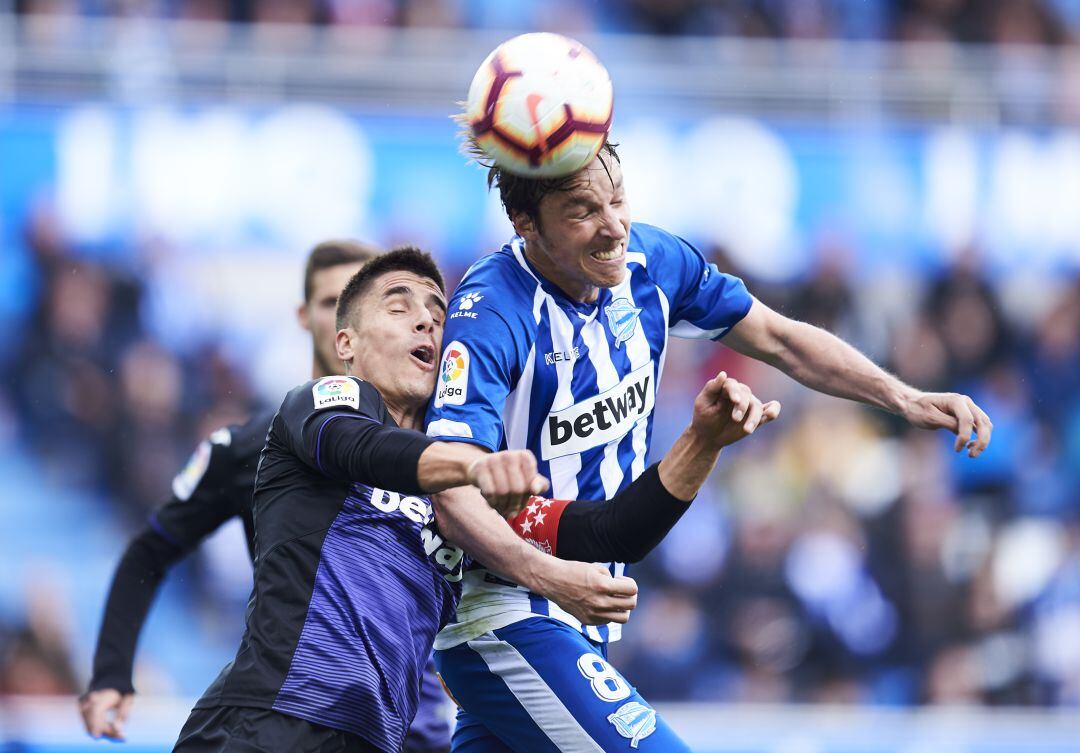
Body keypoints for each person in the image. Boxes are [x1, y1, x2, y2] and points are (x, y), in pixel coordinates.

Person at [423, 140, 994, 751]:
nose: (614, 226)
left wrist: (902, 398)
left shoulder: (652, 261)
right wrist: (554, 578)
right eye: (583, 211)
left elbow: (779, 339)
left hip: (576, 613)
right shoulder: (490, 312)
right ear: (525, 223)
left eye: (618, 198)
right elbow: (450, 495)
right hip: (507, 613)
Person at [172, 246, 780, 753]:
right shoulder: (322, 406)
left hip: (369, 738)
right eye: (399, 306)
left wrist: (700, 442)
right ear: (347, 341)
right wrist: (474, 466)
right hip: (266, 722)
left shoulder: (469, 499)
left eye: (438, 312)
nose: (426, 322)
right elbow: (370, 449)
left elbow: (610, 531)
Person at [79, 241, 453, 753]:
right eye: (330, 301)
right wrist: (111, 673)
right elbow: (152, 548)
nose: (417, 322)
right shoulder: (254, 444)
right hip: (289, 706)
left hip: (408, 722)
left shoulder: (446, 454)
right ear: (318, 320)